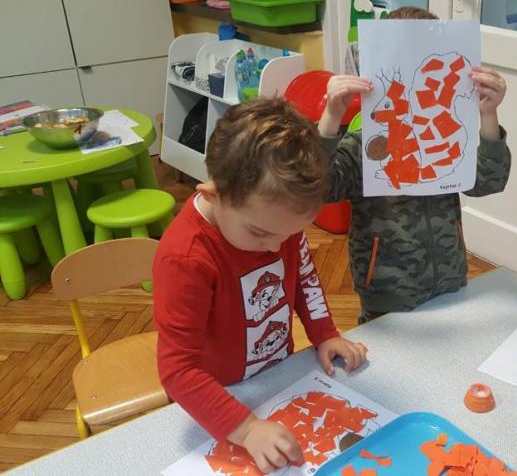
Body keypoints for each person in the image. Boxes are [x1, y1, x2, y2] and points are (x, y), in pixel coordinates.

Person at [153, 99, 368, 473]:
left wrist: (324, 333)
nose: (275, 247)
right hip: (217, 397)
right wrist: (246, 429)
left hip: (274, 375)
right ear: (213, 195)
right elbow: (177, 371)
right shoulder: (186, 259)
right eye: (260, 233)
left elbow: (304, 278)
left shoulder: (276, 223)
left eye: (290, 234)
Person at [317, 6, 512, 323]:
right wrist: (331, 117)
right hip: (386, 293)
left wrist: (488, 114)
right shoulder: (365, 145)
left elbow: (488, 182)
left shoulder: (446, 133)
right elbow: (319, 188)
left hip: (449, 281)